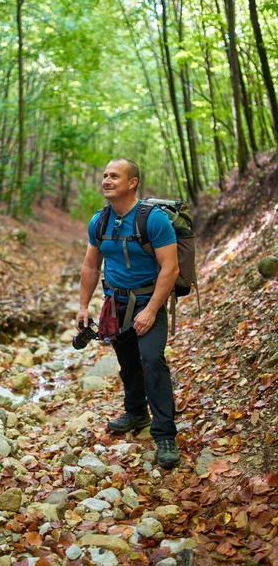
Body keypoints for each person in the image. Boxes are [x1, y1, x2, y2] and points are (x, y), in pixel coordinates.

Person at [75, 158, 180, 469]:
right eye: (105, 175)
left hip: (151, 301)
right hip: (115, 304)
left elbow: (170, 268)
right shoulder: (100, 221)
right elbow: (91, 265)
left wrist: (150, 310)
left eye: (115, 176)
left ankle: (165, 435)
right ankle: (136, 412)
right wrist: (83, 306)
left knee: (152, 360)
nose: (107, 180)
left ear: (132, 182)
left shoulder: (154, 220)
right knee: (127, 362)